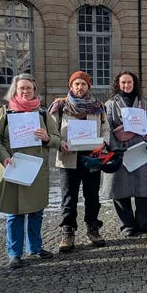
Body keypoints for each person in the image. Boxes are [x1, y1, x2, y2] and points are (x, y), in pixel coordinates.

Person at [0, 74, 62, 269]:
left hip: (37, 168)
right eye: (22, 88)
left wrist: (47, 138)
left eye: (29, 88)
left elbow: (57, 138)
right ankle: (15, 253)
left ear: (34, 90)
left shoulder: (43, 113)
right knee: (14, 212)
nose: (25, 91)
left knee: (37, 210)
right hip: (12, 166)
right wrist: (4, 156)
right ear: (15, 90)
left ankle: (36, 247)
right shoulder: (4, 111)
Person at [49, 71, 111, 252]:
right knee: (69, 197)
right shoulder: (60, 106)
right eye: (76, 84)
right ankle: (67, 232)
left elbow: (105, 128)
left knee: (92, 196)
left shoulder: (98, 106)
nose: (79, 87)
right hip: (68, 158)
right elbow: (52, 130)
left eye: (83, 84)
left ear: (88, 87)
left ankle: (93, 228)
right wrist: (59, 143)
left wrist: (104, 142)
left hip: (91, 157)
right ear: (71, 86)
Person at [101, 71, 147, 237]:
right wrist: (113, 148)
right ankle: (126, 225)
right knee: (120, 189)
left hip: (140, 148)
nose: (126, 85)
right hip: (120, 149)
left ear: (134, 84)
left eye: (129, 82)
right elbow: (108, 127)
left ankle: (145, 223)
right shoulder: (111, 104)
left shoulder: (143, 104)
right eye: (123, 82)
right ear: (118, 84)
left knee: (144, 187)